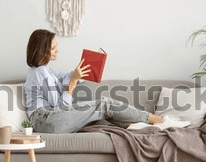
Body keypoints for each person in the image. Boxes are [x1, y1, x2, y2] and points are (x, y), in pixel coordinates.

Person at [24, 29, 188, 133]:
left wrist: (81, 71)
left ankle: (135, 126)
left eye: (56, 46)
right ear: (42, 50)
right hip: (46, 121)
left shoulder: (45, 71)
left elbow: (65, 76)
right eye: (53, 48)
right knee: (104, 104)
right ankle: (159, 120)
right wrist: (73, 83)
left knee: (102, 113)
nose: (57, 50)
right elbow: (60, 108)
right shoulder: (40, 73)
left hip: (49, 121)